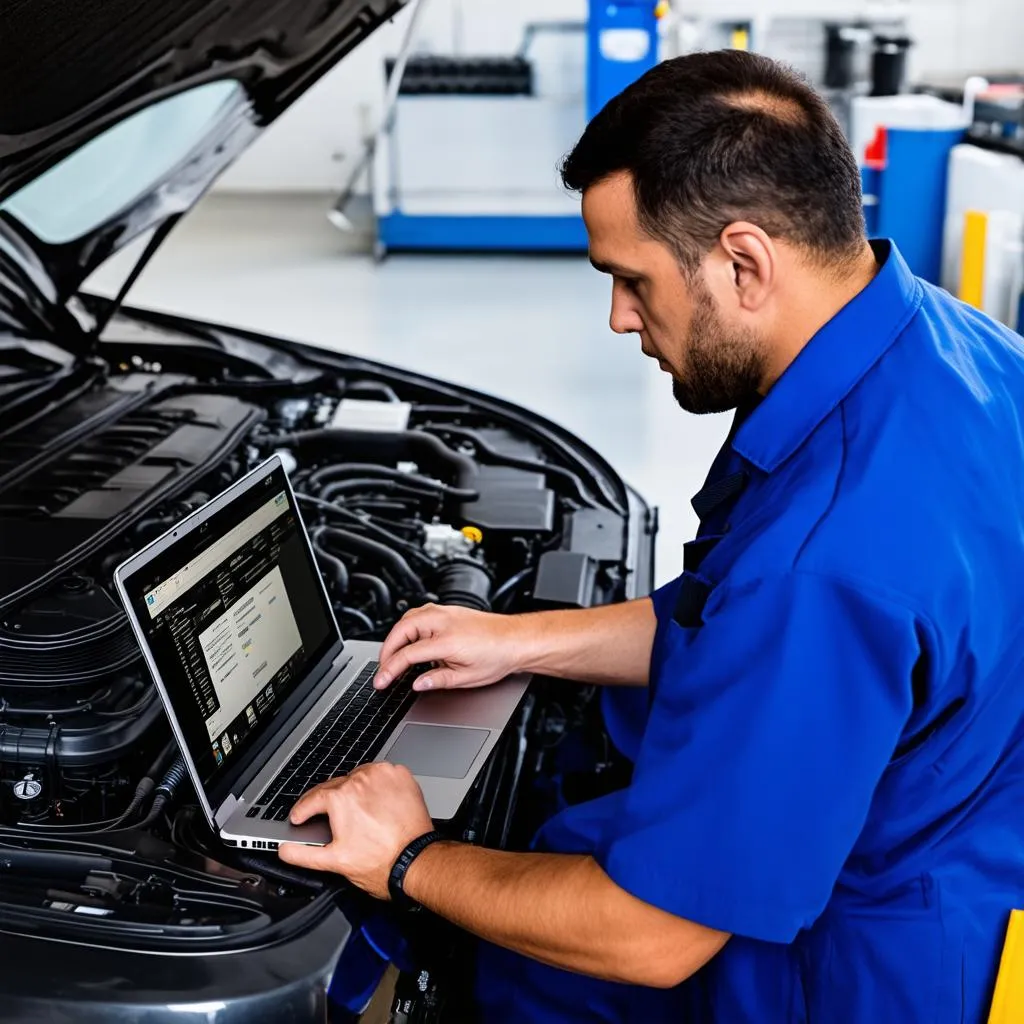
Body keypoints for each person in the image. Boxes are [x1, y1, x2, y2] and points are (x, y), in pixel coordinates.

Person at [279, 50, 1024, 1022]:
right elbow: (732, 622)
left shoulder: (826, 556)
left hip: (842, 978)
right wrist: (516, 640)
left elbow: (649, 932)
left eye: (630, 278)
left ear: (744, 261)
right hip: (965, 866)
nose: (619, 316)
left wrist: (409, 858)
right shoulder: (960, 350)